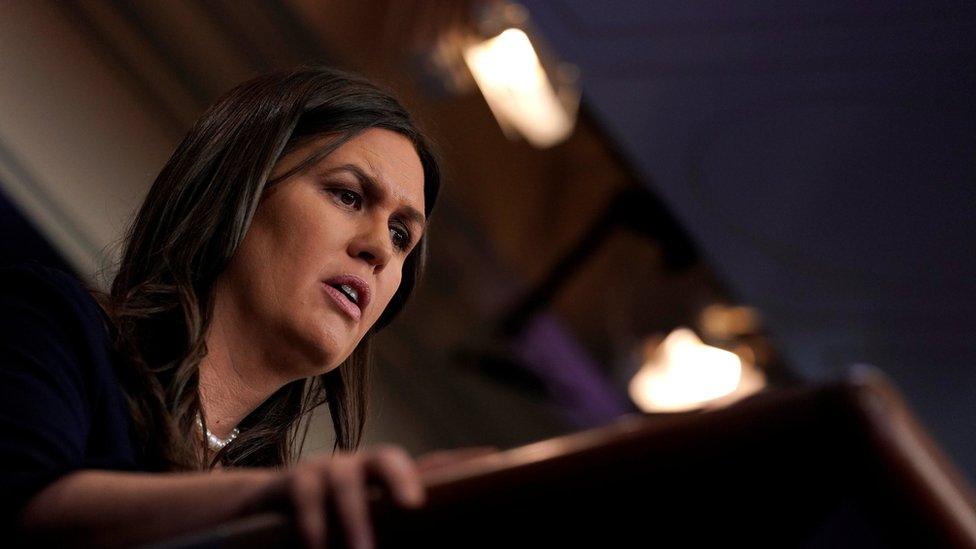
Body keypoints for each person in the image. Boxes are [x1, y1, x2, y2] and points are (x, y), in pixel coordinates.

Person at [0, 65, 488, 548]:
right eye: (348, 195)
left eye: (402, 235)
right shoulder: (51, 321)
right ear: (239, 189)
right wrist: (267, 503)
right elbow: (22, 508)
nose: (380, 249)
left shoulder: (290, 512)